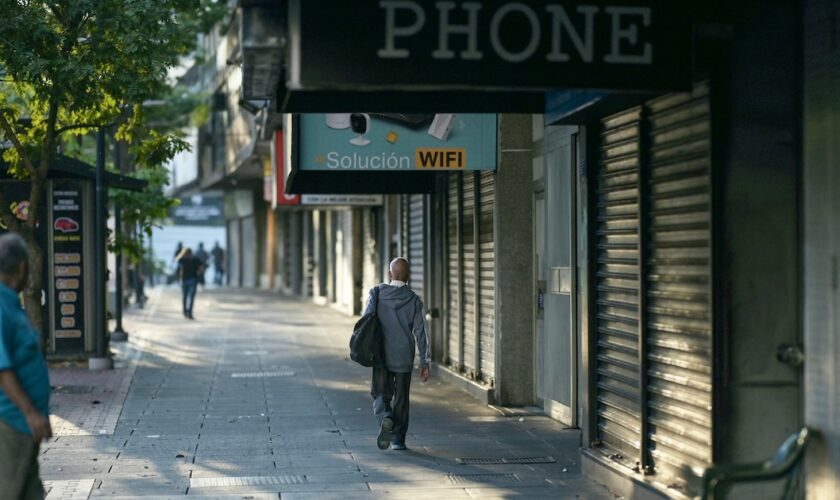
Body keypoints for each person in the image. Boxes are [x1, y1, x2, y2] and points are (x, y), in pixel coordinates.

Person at [0, 233, 51, 499]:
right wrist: (31, 412)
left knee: (30, 492)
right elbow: (1, 369)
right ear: (22, 267)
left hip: (23, 421)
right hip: (11, 420)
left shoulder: (9, 303)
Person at [364, 257, 430, 451]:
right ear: (408, 276)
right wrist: (424, 361)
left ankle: (386, 418)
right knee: (401, 398)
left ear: (389, 274)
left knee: (379, 393)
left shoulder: (376, 293)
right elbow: (421, 332)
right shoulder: (414, 300)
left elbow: (366, 319)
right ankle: (398, 440)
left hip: (381, 354)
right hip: (404, 355)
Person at [177, 248, 203, 319]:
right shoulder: (196, 260)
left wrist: (179, 279)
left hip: (184, 280)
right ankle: (190, 313)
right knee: (191, 297)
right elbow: (201, 270)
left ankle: (185, 312)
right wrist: (202, 280)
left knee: (185, 297)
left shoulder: (181, 260)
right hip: (193, 280)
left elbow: (179, 270)